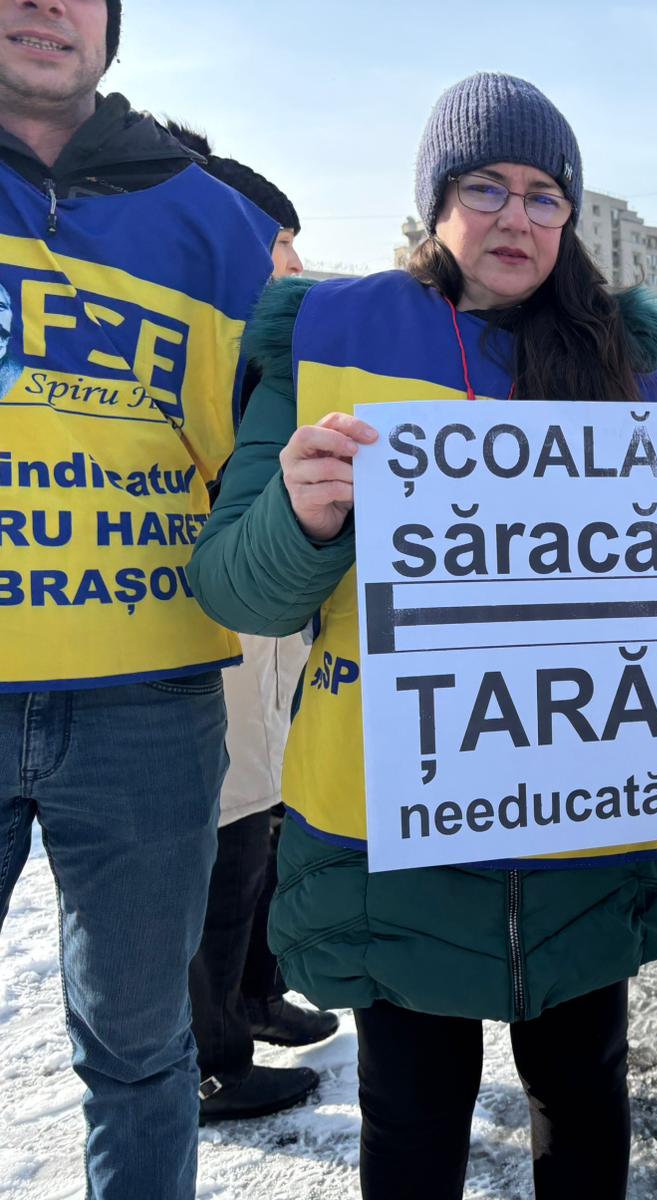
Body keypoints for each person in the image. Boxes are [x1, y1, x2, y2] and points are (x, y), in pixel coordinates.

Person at [188, 73, 657, 1198]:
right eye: (485, 186)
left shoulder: (623, 369)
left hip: (584, 830)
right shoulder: (329, 335)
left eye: (546, 194)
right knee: (410, 1125)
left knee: (584, 1109)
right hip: (390, 840)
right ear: (435, 199)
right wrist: (302, 517)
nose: (516, 216)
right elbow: (238, 590)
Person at [0, 3, 278, 1195]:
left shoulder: (218, 223)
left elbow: (261, 472)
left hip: (149, 710)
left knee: (139, 1045)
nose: (42, 3)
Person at [162, 124, 338, 1124]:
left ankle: (254, 995)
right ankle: (211, 1057)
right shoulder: (192, 333)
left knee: (266, 809)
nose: (294, 265)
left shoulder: (262, 345)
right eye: (279, 245)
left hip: (269, 625)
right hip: (202, 619)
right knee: (223, 835)